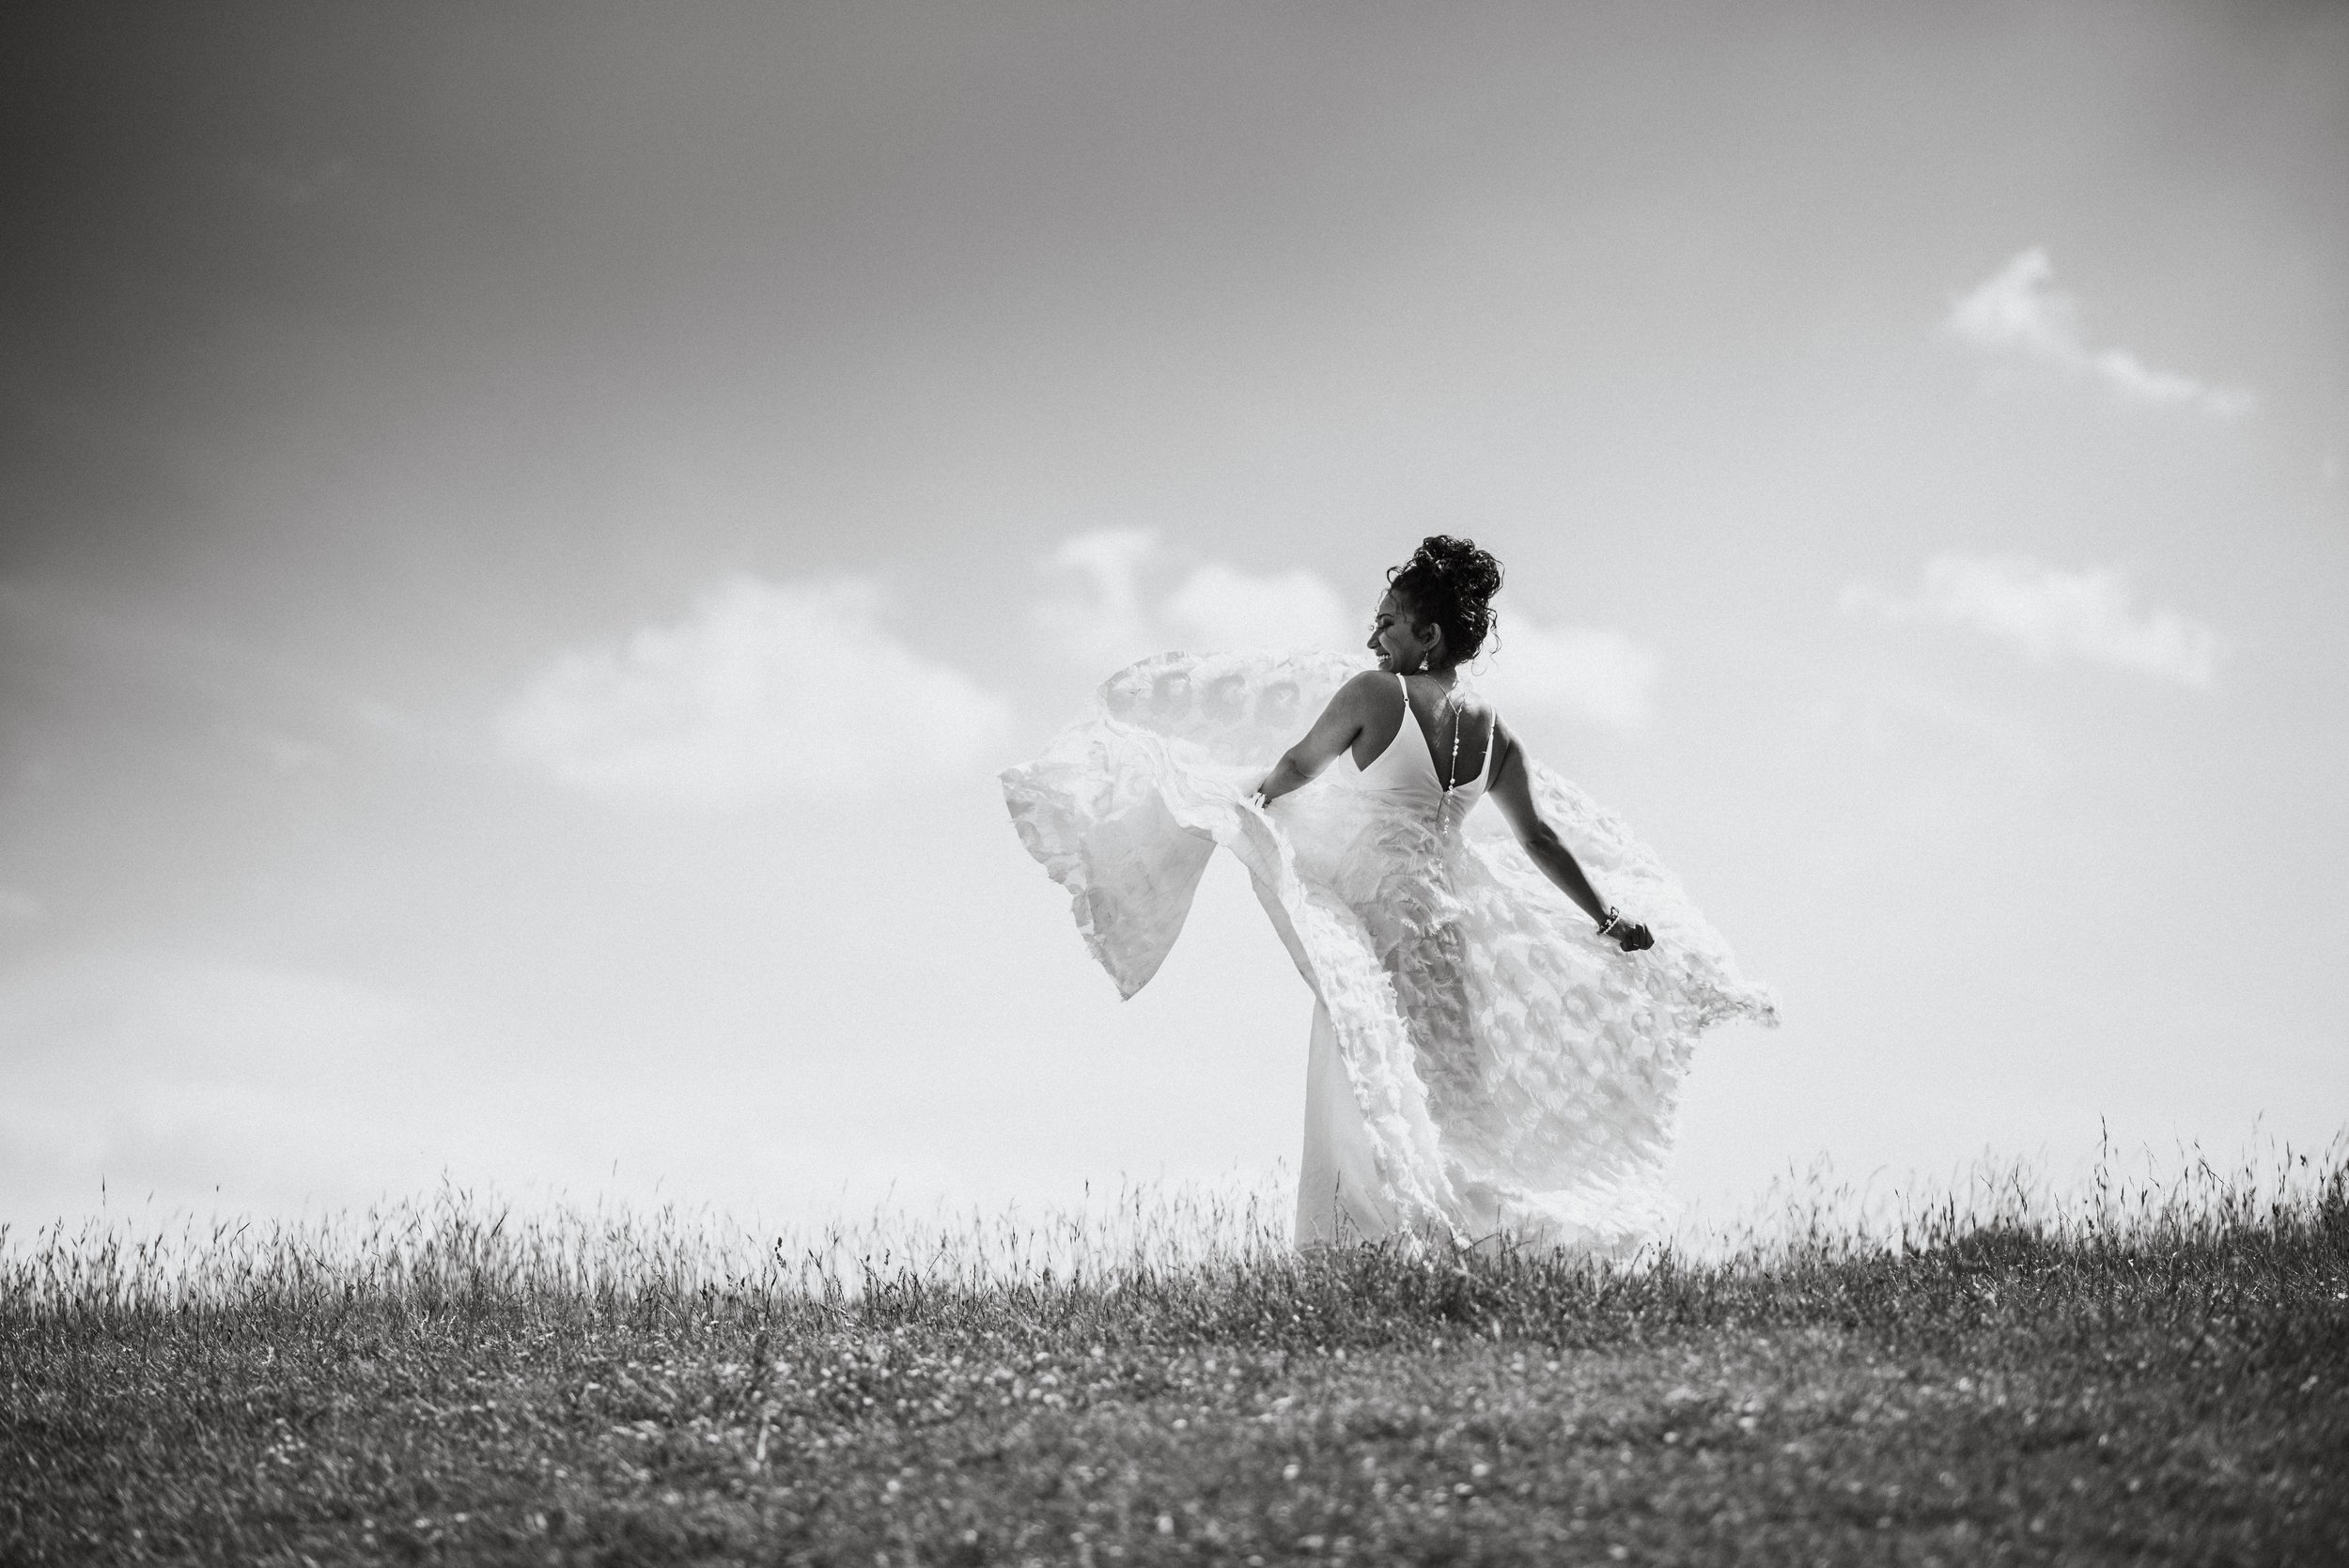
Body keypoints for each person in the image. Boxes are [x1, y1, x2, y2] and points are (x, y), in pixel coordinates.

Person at [1003, 536, 1775, 1253]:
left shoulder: (1377, 694)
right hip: (1448, 933)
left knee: (1365, 1085)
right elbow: (1539, 838)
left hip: (1378, 928)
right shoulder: (1492, 731)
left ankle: (1369, 1249)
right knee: (1448, 1095)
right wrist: (1605, 915)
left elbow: (1301, 765)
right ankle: (1459, 1241)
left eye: (1389, 623)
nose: (1375, 638)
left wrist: (1239, 801)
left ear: (1428, 635)